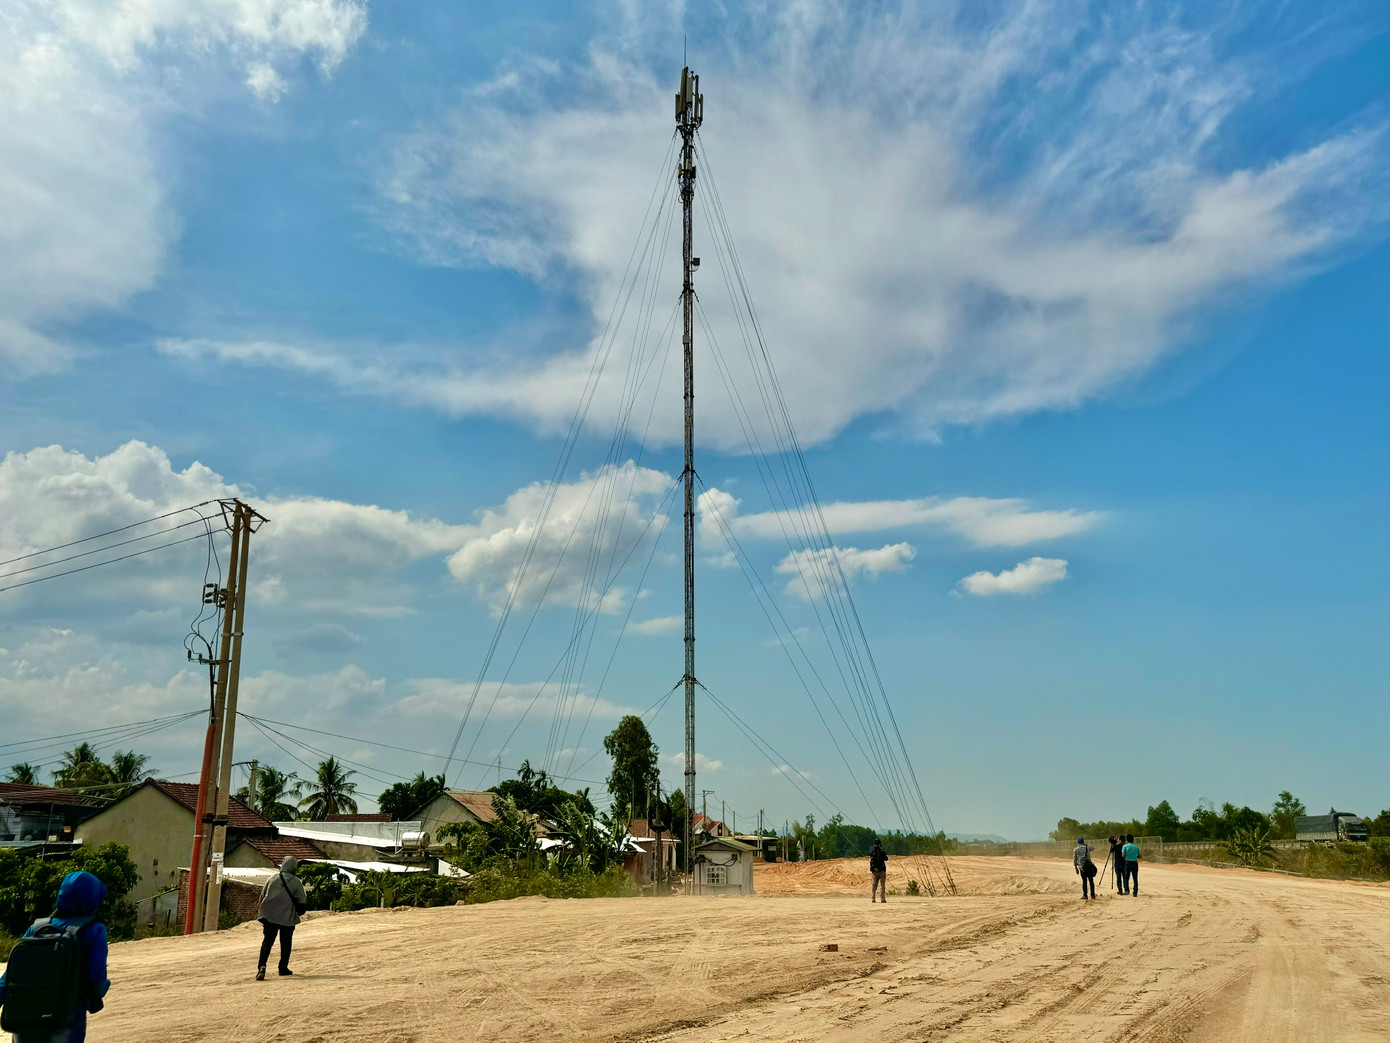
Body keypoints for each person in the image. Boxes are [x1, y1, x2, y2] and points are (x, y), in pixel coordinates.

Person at [0, 870, 111, 1043]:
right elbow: (97, 979)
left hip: (26, 1015)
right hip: (66, 1017)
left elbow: (12, 974)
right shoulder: (94, 930)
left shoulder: (37, 927)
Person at [256, 856, 308, 980]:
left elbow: (261, 896)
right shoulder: (296, 881)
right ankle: (283, 968)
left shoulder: (272, 878)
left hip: (269, 915)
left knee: (267, 942)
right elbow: (302, 900)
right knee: (286, 943)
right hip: (287, 917)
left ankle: (261, 968)